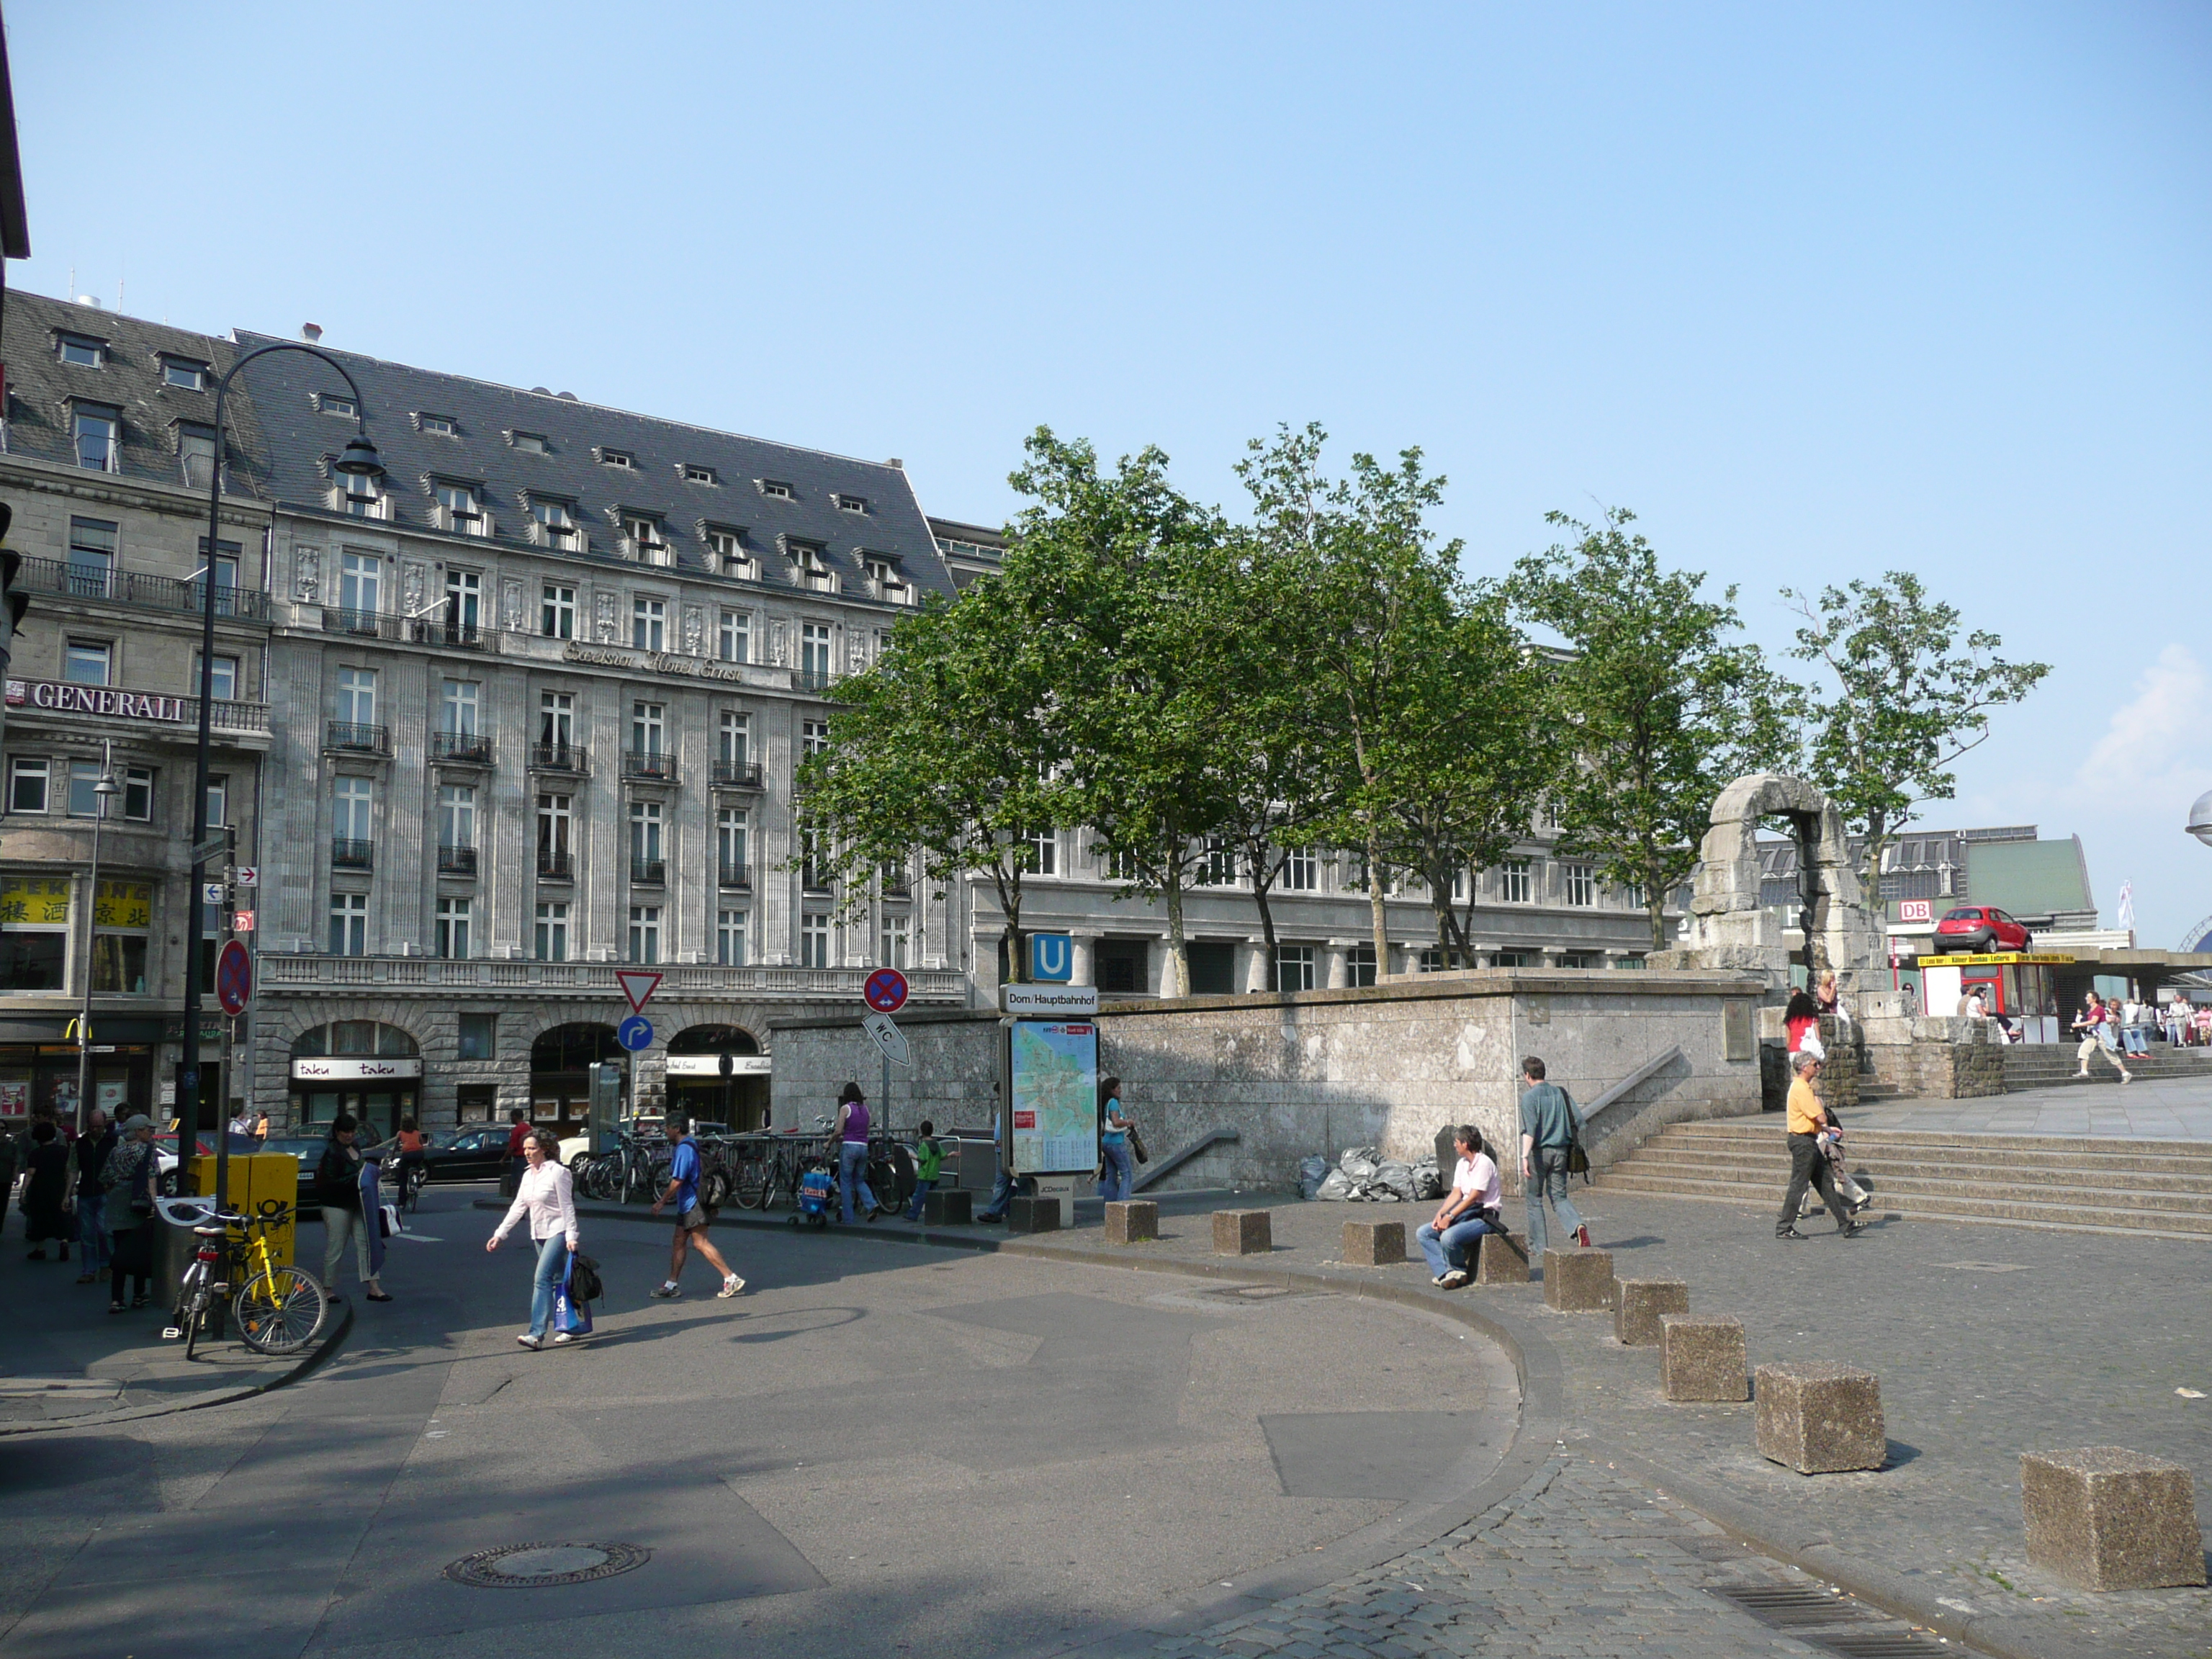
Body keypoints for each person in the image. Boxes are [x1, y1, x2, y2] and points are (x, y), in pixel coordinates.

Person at [487, 1128, 582, 1349]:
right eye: (526, 1148)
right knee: (559, 1279)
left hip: (558, 1231)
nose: (527, 1152)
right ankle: (572, 1324)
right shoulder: (528, 1175)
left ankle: (536, 1334)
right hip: (538, 1233)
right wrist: (500, 1234)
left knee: (541, 1278)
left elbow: (567, 1207)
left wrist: (571, 1235)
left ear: (545, 1149)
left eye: (533, 1148)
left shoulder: (558, 1173)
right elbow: (518, 1207)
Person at [648, 1112, 744, 1299]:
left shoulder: (684, 1149)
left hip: (693, 1204)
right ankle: (671, 1284)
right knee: (678, 1241)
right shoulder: (690, 1144)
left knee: (700, 1243)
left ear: (676, 1129)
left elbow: (678, 1180)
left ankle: (731, 1278)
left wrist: (661, 1201)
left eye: (667, 1128)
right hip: (689, 1204)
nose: (665, 1132)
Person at [1776, 1051, 1858, 1240]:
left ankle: (1844, 1224)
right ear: (1804, 1067)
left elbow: (1814, 1120)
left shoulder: (1801, 1087)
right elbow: (1819, 1116)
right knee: (1798, 1184)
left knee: (1824, 1184)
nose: (1818, 1067)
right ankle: (1784, 1227)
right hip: (1802, 1142)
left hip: (1808, 1140)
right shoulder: (1802, 1089)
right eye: (1815, 1064)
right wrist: (1819, 1104)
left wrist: (1828, 1131)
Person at [1518, 1056, 1592, 1252]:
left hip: (1539, 1154)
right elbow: (1579, 1120)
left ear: (1527, 1075)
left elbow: (1530, 1130)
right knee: (1559, 1197)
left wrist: (1524, 1157)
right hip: (1561, 1152)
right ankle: (1577, 1225)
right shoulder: (1560, 1093)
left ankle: (1538, 1247)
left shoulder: (1529, 1098)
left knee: (1534, 1200)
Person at [316, 1115, 392, 1302]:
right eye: (346, 1132)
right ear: (337, 1132)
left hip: (357, 1203)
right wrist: (358, 1178)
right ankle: (327, 1290)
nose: (350, 1135)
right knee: (336, 1246)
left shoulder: (354, 1146)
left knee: (366, 1243)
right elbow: (329, 1182)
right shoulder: (332, 1152)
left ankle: (374, 1287)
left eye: (352, 1132)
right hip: (336, 1204)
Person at [1418, 1125, 1501, 1288]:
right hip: (1466, 1213)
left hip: (1483, 1216)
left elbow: (1473, 1197)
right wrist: (1441, 1214)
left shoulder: (1484, 1164)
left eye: (1457, 1142)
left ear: (1465, 1144)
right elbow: (1456, 1193)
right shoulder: (1462, 1164)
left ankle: (1458, 1270)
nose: (1455, 1146)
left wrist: (1451, 1217)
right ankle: (1445, 1273)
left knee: (1449, 1237)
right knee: (1424, 1233)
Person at [104, 1115, 159, 1312]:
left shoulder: (115, 1151)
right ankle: (138, 1295)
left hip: (118, 1201)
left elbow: (106, 1179)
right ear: (137, 1131)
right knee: (140, 1251)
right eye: (148, 1129)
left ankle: (117, 1299)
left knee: (120, 1252)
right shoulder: (148, 1151)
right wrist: (154, 1203)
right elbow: (151, 1178)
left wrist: (116, 1196)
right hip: (140, 1203)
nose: (151, 1133)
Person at [828, 1082, 885, 1224]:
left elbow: (839, 1131)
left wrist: (828, 1142)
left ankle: (848, 1217)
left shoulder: (845, 1109)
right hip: (863, 1147)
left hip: (849, 1146)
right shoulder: (866, 1110)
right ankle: (871, 1204)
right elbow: (866, 1130)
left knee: (846, 1182)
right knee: (859, 1179)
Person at [71, 1108, 116, 1285]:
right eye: (92, 1126)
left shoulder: (113, 1140)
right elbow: (73, 1168)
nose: (95, 1130)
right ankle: (89, 1270)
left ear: (105, 1124)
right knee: (87, 1233)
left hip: (107, 1192)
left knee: (103, 1230)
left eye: (98, 1126)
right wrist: (68, 1193)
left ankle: (106, 1264)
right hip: (85, 1192)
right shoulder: (79, 1144)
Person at [20, 1119, 72, 1262]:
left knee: (40, 1218)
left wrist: (23, 1191)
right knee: (62, 1216)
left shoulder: (35, 1153)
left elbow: (30, 1173)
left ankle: (40, 1249)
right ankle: (64, 1242)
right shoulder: (63, 1151)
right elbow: (69, 1171)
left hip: (41, 1189)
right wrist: (69, 1189)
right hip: (60, 1187)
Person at [2071, 992, 2132, 1083]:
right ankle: (2084, 1071)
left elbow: (2094, 1021)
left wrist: (2078, 1025)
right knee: (2083, 1050)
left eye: (2088, 997)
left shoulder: (2098, 1009)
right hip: (2093, 1035)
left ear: (2094, 999)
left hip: (2102, 1036)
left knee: (2110, 1055)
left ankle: (2125, 1073)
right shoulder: (2091, 1010)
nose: (2086, 998)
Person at [1097, 1077, 1133, 1203]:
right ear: (1112, 1090)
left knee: (1111, 1175)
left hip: (1106, 1142)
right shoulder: (1113, 1103)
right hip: (1116, 1142)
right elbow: (1116, 1122)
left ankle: (1110, 1206)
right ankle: (1123, 1206)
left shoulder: (1105, 1103)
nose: (1120, 1091)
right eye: (1118, 1088)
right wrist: (1128, 1122)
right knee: (1127, 1175)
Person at [904, 1120, 943, 1222]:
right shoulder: (937, 1144)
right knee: (934, 1198)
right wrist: (952, 1154)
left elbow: (922, 1159)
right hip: (935, 1175)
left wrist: (912, 1156)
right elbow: (943, 1156)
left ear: (922, 1132)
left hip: (925, 1175)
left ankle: (913, 1215)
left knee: (918, 1197)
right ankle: (936, 1216)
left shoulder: (924, 1145)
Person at [392, 1116, 428, 1201]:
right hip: (419, 1153)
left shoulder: (400, 1133)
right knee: (417, 1165)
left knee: (403, 1176)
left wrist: (393, 1155)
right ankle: (418, 1180)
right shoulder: (417, 1132)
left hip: (407, 1154)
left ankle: (401, 1199)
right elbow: (421, 1144)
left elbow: (396, 1145)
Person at [1784, 989, 1824, 1059]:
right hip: (1809, 1052)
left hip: (1794, 1052)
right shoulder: (1813, 1019)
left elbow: (1788, 1042)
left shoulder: (1789, 1020)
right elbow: (1818, 1037)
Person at [503, 1108, 531, 1195]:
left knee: (517, 1182)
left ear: (515, 1117)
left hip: (519, 1159)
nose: (511, 1119)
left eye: (511, 1117)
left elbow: (512, 1147)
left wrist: (504, 1159)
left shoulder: (517, 1130)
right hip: (529, 1158)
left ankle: (518, 1200)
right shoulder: (529, 1128)